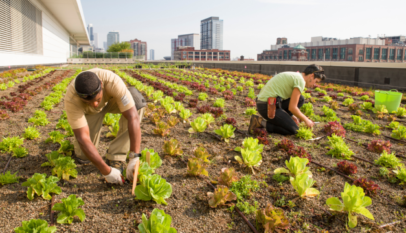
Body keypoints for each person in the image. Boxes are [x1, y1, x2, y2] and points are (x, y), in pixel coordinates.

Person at [64, 68, 146, 185]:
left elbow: (133, 117)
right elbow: (82, 138)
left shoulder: (112, 82)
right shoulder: (72, 99)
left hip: (111, 101)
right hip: (89, 113)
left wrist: (134, 157)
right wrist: (106, 171)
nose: (95, 104)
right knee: (83, 157)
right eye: (88, 102)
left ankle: (116, 156)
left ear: (101, 85)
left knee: (137, 104)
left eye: (97, 99)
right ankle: (87, 156)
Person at [248, 64, 326, 135]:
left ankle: (284, 120)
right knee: (294, 130)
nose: (314, 85)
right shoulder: (300, 81)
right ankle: (260, 122)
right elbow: (292, 107)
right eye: (316, 81)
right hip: (267, 106)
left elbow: (292, 105)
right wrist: (306, 120)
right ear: (312, 76)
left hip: (270, 103)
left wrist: (291, 116)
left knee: (300, 99)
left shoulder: (297, 76)